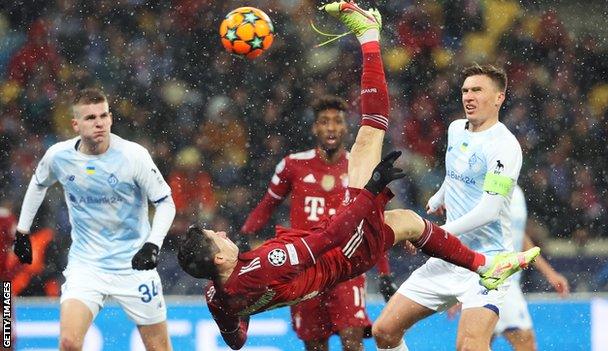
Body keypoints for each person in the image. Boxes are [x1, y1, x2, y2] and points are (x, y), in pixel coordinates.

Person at [177, 3, 539, 350]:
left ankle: (483, 264)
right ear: (218, 260)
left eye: (476, 90)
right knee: (370, 135)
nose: (222, 231)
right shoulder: (265, 264)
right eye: (215, 237)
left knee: (389, 303)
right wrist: (372, 189)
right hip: (343, 250)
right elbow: (332, 234)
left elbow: (236, 339)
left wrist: (247, 305)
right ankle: (368, 36)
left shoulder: (219, 296)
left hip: (336, 256)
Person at [372, 62, 530, 351]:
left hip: (487, 264)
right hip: (447, 258)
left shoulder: (505, 147)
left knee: (469, 347)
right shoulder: (456, 129)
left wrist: (433, 233)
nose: (468, 96)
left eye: (477, 90)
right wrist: (440, 195)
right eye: (465, 90)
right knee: (384, 332)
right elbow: (457, 171)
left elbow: (490, 210)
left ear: (499, 98)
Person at [12, 88, 175, 351]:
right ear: (75, 125)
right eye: (90, 118)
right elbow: (38, 183)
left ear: (111, 118)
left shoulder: (133, 156)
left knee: (158, 347)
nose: (99, 123)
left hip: (134, 266)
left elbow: (166, 202)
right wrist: (22, 232)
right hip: (87, 265)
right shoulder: (59, 156)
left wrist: (152, 244)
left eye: (103, 115)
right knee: (68, 342)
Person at [241, 95, 396, 351]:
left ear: (346, 128)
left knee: (352, 340)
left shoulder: (358, 167)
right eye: (324, 122)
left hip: (347, 264)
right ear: (315, 128)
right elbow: (266, 207)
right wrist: (243, 236)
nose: (331, 127)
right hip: (305, 268)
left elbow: (374, 223)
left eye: (337, 121)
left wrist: (384, 272)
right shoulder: (292, 165)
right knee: (314, 345)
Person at [490, 186, 569, 350]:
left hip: (505, 281)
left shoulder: (517, 191)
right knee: (525, 341)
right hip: (497, 279)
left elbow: (518, 234)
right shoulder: (490, 187)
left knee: (476, 342)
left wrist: (550, 273)